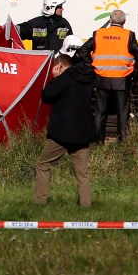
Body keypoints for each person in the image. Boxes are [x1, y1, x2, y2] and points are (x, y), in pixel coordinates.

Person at [33, 35, 95, 208]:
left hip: (62, 134)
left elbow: (46, 97)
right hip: (83, 133)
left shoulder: (64, 79)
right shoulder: (88, 77)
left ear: (61, 62)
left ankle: (39, 202)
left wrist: (55, 78)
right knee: (82, 173)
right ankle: (86, 207)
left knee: (44, 165)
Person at [79, 9, 138, 143]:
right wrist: (134, 71)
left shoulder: (99, 34)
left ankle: (97, 141)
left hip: (101, 78)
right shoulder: (128, 35)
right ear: (124, 21)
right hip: (121, 79)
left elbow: (84, 50)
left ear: (110, 20)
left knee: (100, 112)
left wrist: (91, 66)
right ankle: (122, 142)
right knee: (122, 113)